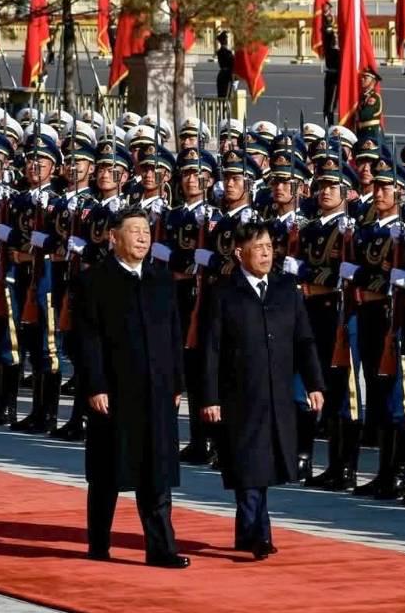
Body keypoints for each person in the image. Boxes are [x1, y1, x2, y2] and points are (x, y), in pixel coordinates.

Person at [201, 221, 325, 558]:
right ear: (239, 253)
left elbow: (304, 340)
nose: (266, 254)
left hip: (277, 392)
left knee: (265, 465)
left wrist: (314, 383)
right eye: (258, 248)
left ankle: (249, 531)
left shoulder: (286, 289)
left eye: (269, 247)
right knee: (248, 463)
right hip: (239, 393)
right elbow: (211, 348)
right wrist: (210, 396)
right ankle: (259, 534)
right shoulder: (224, 292)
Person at [77, 207, 189, 568]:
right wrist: (95, 385)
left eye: (146, 232)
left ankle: (161, 548)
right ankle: (98, 542)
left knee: (156, 472)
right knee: (107, 470)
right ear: (114, 237)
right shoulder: (95, 280)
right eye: (134, 231)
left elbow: (174, 333)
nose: (142, 238)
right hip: (114, 390)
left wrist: (176, 382)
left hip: (157, 390)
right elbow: (87, 339)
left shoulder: (161, 279)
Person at [214, 32, 235, 100]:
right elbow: (232, 64)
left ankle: (222, 106)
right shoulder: (227, 52)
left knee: (221, 96)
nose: (227, 41)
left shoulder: (219, 52)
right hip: (227, 75)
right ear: (225, 41)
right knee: (227, 97)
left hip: (221, 74)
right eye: (226, 39)